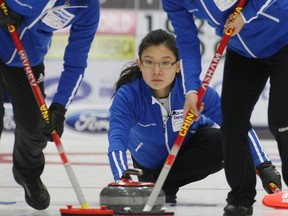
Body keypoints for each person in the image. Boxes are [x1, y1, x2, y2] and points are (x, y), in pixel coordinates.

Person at [107, 29, 281, 205]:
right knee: (154, 181)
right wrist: (123, 179)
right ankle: (160, 187)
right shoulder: (128, 95)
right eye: (149, 62)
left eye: (165, 63)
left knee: (224, 141)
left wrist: (264, 165)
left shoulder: (193, 91)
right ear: (140, 64)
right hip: (148, 166)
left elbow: (236, 124)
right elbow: (116, 139)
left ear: (178, 65)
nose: (156, 71)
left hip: (187, 153)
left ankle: (163, 186)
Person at [161, 0, 288, 215]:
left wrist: (245, 16)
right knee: (232, 123)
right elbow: (187, 40)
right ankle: (241, 198)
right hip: (243, 51)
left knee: (282, 120)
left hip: (283, 37)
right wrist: (191, 88)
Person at [0, 0, 100, 210]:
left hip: (26, 59)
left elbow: (76, 62)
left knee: (34, 128)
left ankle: (27, 174)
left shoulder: (87, 8)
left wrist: (60, 107)